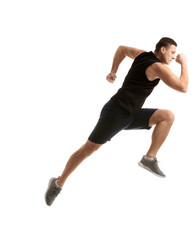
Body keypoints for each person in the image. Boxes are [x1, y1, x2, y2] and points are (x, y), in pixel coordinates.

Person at [45, 37, 188, 206]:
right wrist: (184, 63)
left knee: (167, 116)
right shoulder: (156, 66)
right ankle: (58, 183)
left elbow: (121, 50)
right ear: (163, 50)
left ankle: (149, 159)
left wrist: (113, 72)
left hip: (132, 114)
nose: (174, 56)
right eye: (172, 52)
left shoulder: (143, 55)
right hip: (115, 114)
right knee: (86, 151)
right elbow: (183, 87)